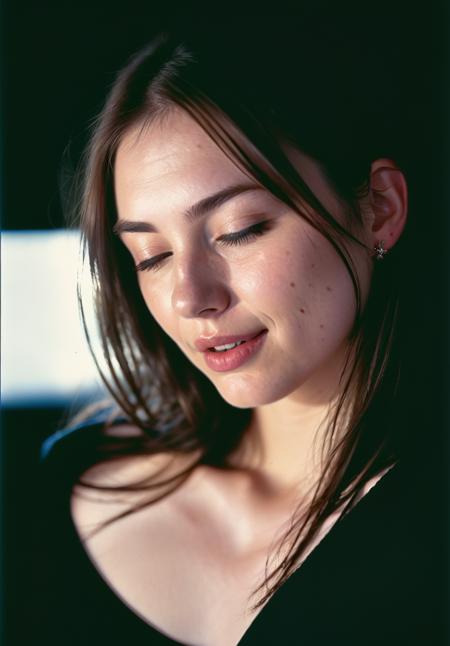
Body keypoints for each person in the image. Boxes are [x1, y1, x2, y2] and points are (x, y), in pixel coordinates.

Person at [36, 8, 447, 646]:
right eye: (153, 255)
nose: (191, 297)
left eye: (239, 231)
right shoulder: (53, 498)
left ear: (379, 209)